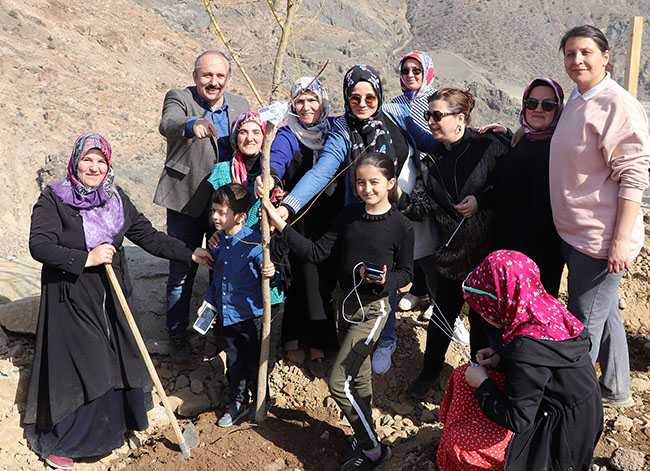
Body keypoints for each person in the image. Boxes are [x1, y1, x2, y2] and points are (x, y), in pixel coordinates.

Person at [25, 133, 212, 470]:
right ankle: (65, 442)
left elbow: (148, 236)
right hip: (73, 294)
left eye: (101, 161)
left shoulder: (115, 197)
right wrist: (85, 257)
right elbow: (39, 245)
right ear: (76, 162)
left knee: (120, 356)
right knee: (88, 361)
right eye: (88, 160)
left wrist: (191, 253)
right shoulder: (54, 199)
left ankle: (114, 430)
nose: (94, 167)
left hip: (113, 292)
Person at [278, 64, 438, 376]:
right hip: (365, 217)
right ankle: (361, 342)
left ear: (379, 95)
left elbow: (431, 142)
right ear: (346, 98)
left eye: (369, 97)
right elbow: (321, 172)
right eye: (354, 99)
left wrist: (473, 134)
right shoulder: (342, 132)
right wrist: (289, 206)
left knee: (399, 273)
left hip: (401, 208)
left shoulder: (397, 117)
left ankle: (386, 339)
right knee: (373, 277)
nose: (362, 104)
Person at [264, 152, 414, 471]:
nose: (367, 188)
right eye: (360, 182)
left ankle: (373, 449)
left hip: (372, 313)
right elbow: (318, 252)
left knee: (338, 382)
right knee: (358, 380)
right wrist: (280, 224)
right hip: (342, 306)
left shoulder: (401, 226)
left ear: (390, 183)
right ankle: (366, 435)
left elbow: (407, 273)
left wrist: (387, 280)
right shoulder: (348, 215)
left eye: (374, 182)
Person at [550, 25, 650, 406]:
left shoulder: (617, 105)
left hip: (599, 240)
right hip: (576, 232)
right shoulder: (579, 98)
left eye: (586, 52)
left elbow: (633, 177)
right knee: (604, 314)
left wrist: (620, 242)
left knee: (583, 329)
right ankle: (616, 387)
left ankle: (571, 408)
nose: (578, 60)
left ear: (605, 57)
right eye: (571, 54)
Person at [401, 88, 510, 399]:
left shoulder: (488, 146)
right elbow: (420, 207)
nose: (431, 122)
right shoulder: (430, 161)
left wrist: (481, 200)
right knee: (442, 318)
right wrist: (396, 198)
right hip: (450, 255)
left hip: (487, 257)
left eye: (438, 115)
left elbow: (510, 184)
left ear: (460, 118)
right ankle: (430, 371)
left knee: (482, 322)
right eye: (428, 116)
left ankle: (482, 386)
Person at [463, 250, 603, 471]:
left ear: (501, 302)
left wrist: (483, 385)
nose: (482, 315)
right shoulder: (548, 311)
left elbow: (518, 419)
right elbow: (547, 366)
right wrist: (501, 359)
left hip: (562, 434)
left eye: (484, 308)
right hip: (586, 416)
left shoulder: (526, 349)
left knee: (462, 449)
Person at [153, 50, 250, 362]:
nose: (214, 82)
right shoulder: (180, 98)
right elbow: (168, 123)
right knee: (182, 269)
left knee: (224, 267)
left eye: (220, 76)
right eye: (207, 75)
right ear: (195, 76)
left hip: (226, 205)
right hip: (186, 199)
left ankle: (221, 332)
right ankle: (176, 335)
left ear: (228, 78)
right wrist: (191, 123)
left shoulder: (240, 105)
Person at [263, 77, 338, 377]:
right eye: (300, 101)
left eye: (312, 100)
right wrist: (269, 177)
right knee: (296, 275)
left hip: (329, 217)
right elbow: (277, 160)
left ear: (323, 103)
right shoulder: (288, 135)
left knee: (322, 279)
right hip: (294, 217)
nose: (306, 107)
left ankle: (320, 342)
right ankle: (294, 338)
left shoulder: (335, 130)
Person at [200, 183, 277, 427]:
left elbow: (273, 279)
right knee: (234, 362)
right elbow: (217, 280)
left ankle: (261, 399)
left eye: (222, 212)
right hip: (227, 318)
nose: (215, 217)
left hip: (251, 317)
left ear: (241, 216)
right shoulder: (218, 243)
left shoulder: (255, 245)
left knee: (256, 362)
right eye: (214, 211)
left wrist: (271, 271)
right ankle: (238, 402)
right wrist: (209, 303)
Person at [486, 78, 565, 297]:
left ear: (558, 110)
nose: (538, 109)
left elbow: (543, 212)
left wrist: (513, 256)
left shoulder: (558, 150)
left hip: (534, 259)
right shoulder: (524, 140)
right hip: (506, 251)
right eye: (531, 103)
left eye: (547, 105)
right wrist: (509, 136)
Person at [390, 51, 440, 328]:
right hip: (410, 177)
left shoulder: (436, 101)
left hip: (436, 176)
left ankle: (437, 299)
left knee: (436, 237)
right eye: (406, 70)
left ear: (427, 72)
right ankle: (419, 290)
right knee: (416, 235)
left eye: (416, 71)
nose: (410, 75)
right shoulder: (394, 104)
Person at [437, 364, 512, 471]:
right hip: (504, 454)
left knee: (459, 446)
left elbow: (443, 415)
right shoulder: (524, 372)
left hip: (456, 451)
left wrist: (483, 384)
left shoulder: (464, 373)